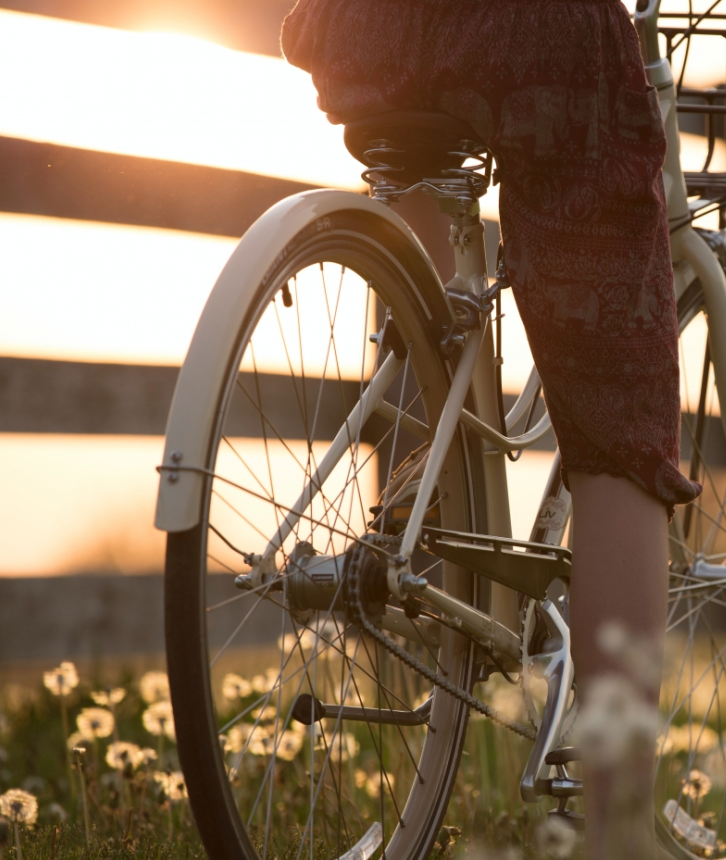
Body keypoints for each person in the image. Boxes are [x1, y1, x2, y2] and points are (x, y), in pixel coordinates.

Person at [280, 1, 700, 856]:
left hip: (360, 27)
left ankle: (434, 523)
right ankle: (619, 829)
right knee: (621, 420)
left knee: (430, 288)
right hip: (532, 33)